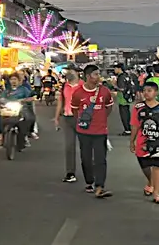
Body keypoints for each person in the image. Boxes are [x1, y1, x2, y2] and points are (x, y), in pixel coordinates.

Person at [70, 65, 116, 198]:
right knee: (86, 158)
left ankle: (100, 186)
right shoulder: (78, 93)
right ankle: (89, 181)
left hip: (100, 131)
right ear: (88, 76)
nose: (98, 77)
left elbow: (108, 107)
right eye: (96, 74)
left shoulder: (105, 91)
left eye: (98, 74)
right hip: (84, 131)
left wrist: (100, 119)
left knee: (100, 159)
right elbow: (75, 111)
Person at [130, 81, 159, 204]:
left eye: (149, 90)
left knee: (157, 166)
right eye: (144, 90)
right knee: (144, 165)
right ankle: (150, 181)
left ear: (156, 92)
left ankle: (156, 193)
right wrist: (132, 141)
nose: (146, 93)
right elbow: (135, 125)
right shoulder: (138, 108)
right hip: (142, 143)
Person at [54, 68, 83, 183]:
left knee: (86, 147)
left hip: (82, 119)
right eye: (68, 71)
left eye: (72, 71)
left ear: (77, 73)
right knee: (69, 147)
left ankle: (90, 174)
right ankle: (70, 173)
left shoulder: (84, 86)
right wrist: (56, 117)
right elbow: (61, 102)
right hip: (68, 118)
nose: (69, 73)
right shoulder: (64, 86)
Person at [0, 71, 36, 148]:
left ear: (19, 80)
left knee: (28, 118)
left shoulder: (24, 89)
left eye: (15, 79)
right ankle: (0, 135)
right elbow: (1, 98)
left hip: (21, 109)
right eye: (11, 79)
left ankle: (26, 135)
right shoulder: (7, 91)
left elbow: (32, 97)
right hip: (9, 109)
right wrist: (0, 101)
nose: (13, 81)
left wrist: (24, 100)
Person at [113, 64, 136, 135]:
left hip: (122, 97)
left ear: (119, 68)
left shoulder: (120, 77)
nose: (114, 70)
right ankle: (129, 128)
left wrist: (114, 85)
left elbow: (122, 88)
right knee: (127, 113)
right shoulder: (126, 75)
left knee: (124, 114)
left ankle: (127, 130)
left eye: (115, 68)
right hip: (127, 97)